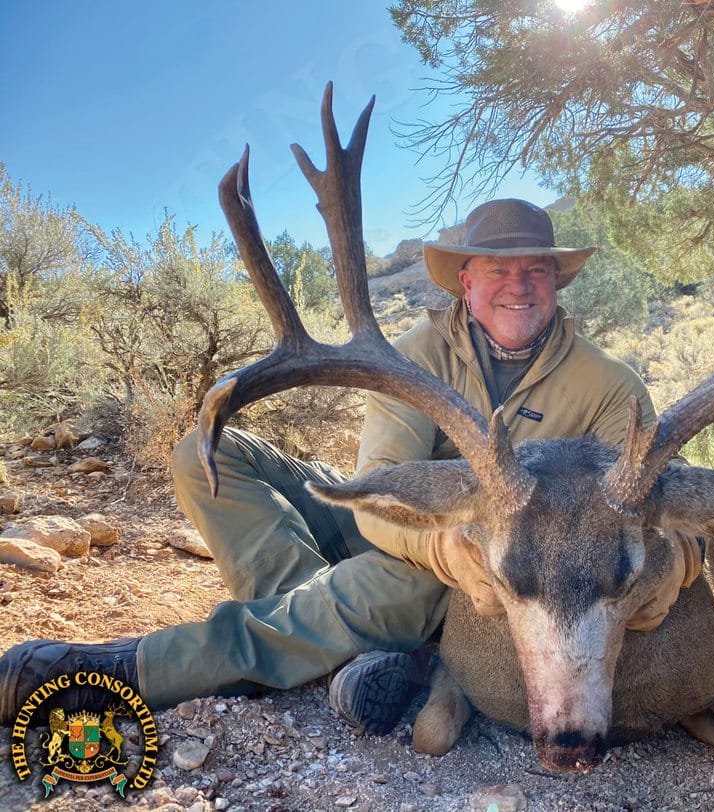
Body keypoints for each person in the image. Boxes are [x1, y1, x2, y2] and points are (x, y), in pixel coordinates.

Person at [0, 199, 656, 736]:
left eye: (535, 270)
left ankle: (134, 669)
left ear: (556, 279)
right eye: (498, 270)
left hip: (493, 579)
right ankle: (336, 642)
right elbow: (380, 495)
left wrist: (472, 562)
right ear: (466, 280)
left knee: (387, 592)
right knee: (208, 457)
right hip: (412, 531)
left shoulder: (609, 389)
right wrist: (443, 547)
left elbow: (636, 525)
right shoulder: (412, 355)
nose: (519, 286)